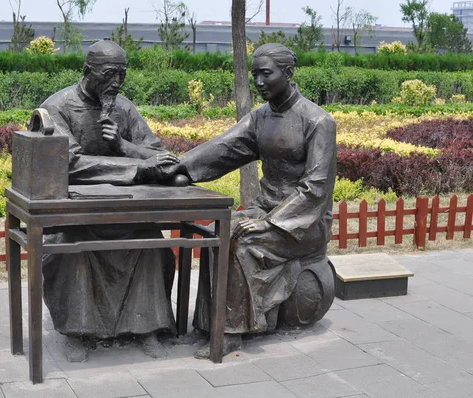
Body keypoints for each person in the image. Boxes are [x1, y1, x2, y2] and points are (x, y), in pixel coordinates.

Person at [167, 43, 337, 358]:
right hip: (267, 209)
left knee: (242, 240)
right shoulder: (260, 117)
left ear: (287, 73)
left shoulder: (318, 121)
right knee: (219, 230)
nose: (258, 81)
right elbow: (224, 147)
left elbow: (315, 188)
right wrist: (179, 167)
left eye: (265, 74)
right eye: (255, 74)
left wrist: (268, 222)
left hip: (303, 222)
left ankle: (230, 333)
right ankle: (210, 324)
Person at [40, 40, 179, 362]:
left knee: (152, 247)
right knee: (70, 251)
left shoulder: (124, 108)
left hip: (126, 210)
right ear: (89, 71)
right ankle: (78, 331)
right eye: (109, 74)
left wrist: (123, 146)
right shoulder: (57, 108)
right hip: (78, 214)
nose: (116, 82)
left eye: (122, 74)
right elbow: (68, 162)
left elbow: (159, 156)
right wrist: (136, 168)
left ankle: (146, 328)